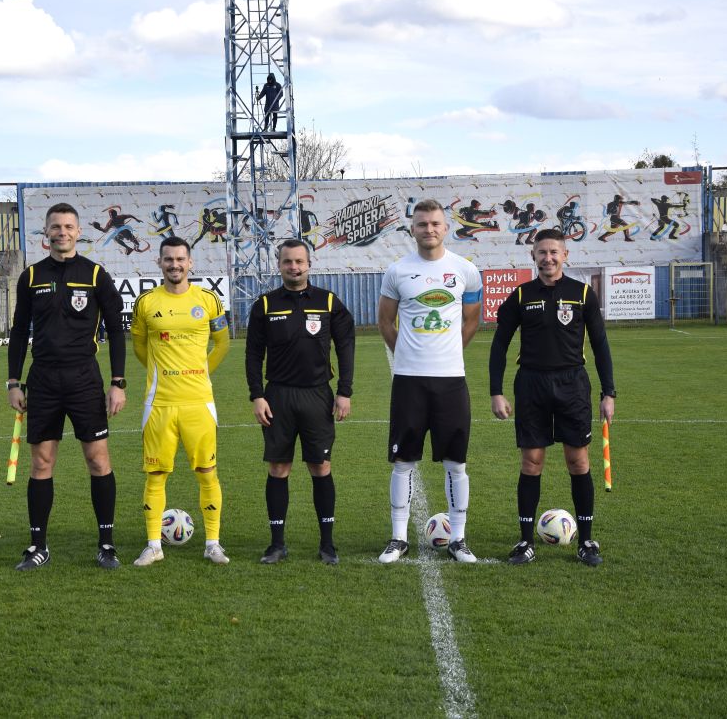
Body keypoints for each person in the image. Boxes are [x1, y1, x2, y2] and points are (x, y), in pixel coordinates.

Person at [7, 202, 127, 571]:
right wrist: (13, 381)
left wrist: (118, 382)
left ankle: (106, 545)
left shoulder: (95, 275)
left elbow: (116, 330)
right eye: (56, 227)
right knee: (41, 462)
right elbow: (18, 332)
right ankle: (38, 545)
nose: (62, 232)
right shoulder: (31, 277)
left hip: (84, 378)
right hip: (43, 379)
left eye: (68, 226)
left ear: (78, 232)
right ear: (46, 232)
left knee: (98, 460)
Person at [488, 227, 616, 567]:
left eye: (554, 252)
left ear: (565, 255)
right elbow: (499, 345)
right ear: (533, 256)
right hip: (532, 385)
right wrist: (496, 391)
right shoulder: (520, 296)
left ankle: (586, 541)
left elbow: (600, 345)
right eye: (542, 252)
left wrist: (609, 392)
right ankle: (525, 541)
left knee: (578, 461)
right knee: (531, 462)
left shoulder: (582, 293)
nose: (548, 258)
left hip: (573, 385)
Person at [376, 199, 482, 564]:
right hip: (409, 381)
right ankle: (398, 538)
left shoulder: (466, 271)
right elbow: (385, 322)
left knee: (456, 463)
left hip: (451, 380)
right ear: (413, 229)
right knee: (403, 461)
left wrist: (450, 351)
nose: (429, 229)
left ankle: (459, 539)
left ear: (445, 228)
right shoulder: (397, 271)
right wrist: (406, 353)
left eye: (435, 223)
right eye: (422, 224)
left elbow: (472, 320)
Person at [245, 239, 355, 565]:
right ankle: (276, 544)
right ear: (279, 265)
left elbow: (346, 347)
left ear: (309, 264)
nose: (294, 267)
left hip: (317, 395)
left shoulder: (328, 302)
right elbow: (253, 354)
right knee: (279, 468)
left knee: (320, 466)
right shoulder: (265, 305)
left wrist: (344, 391)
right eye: (287, 261)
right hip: (278, 396)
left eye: (299, 261)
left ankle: (327, 545)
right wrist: (257, 395)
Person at [130, 236, 230, 567]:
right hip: (159, 404)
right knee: (156, 474)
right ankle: (153, 546)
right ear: (159, 262)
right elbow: (139, 346)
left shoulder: (209, 300)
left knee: (207, 472)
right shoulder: (146, 302)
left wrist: (200, 373)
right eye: (168, 259)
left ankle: (213, 544)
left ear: (190, 263)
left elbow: (222, 344)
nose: (175, 264)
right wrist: (162, 373)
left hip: (199, 403)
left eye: (180, 259)